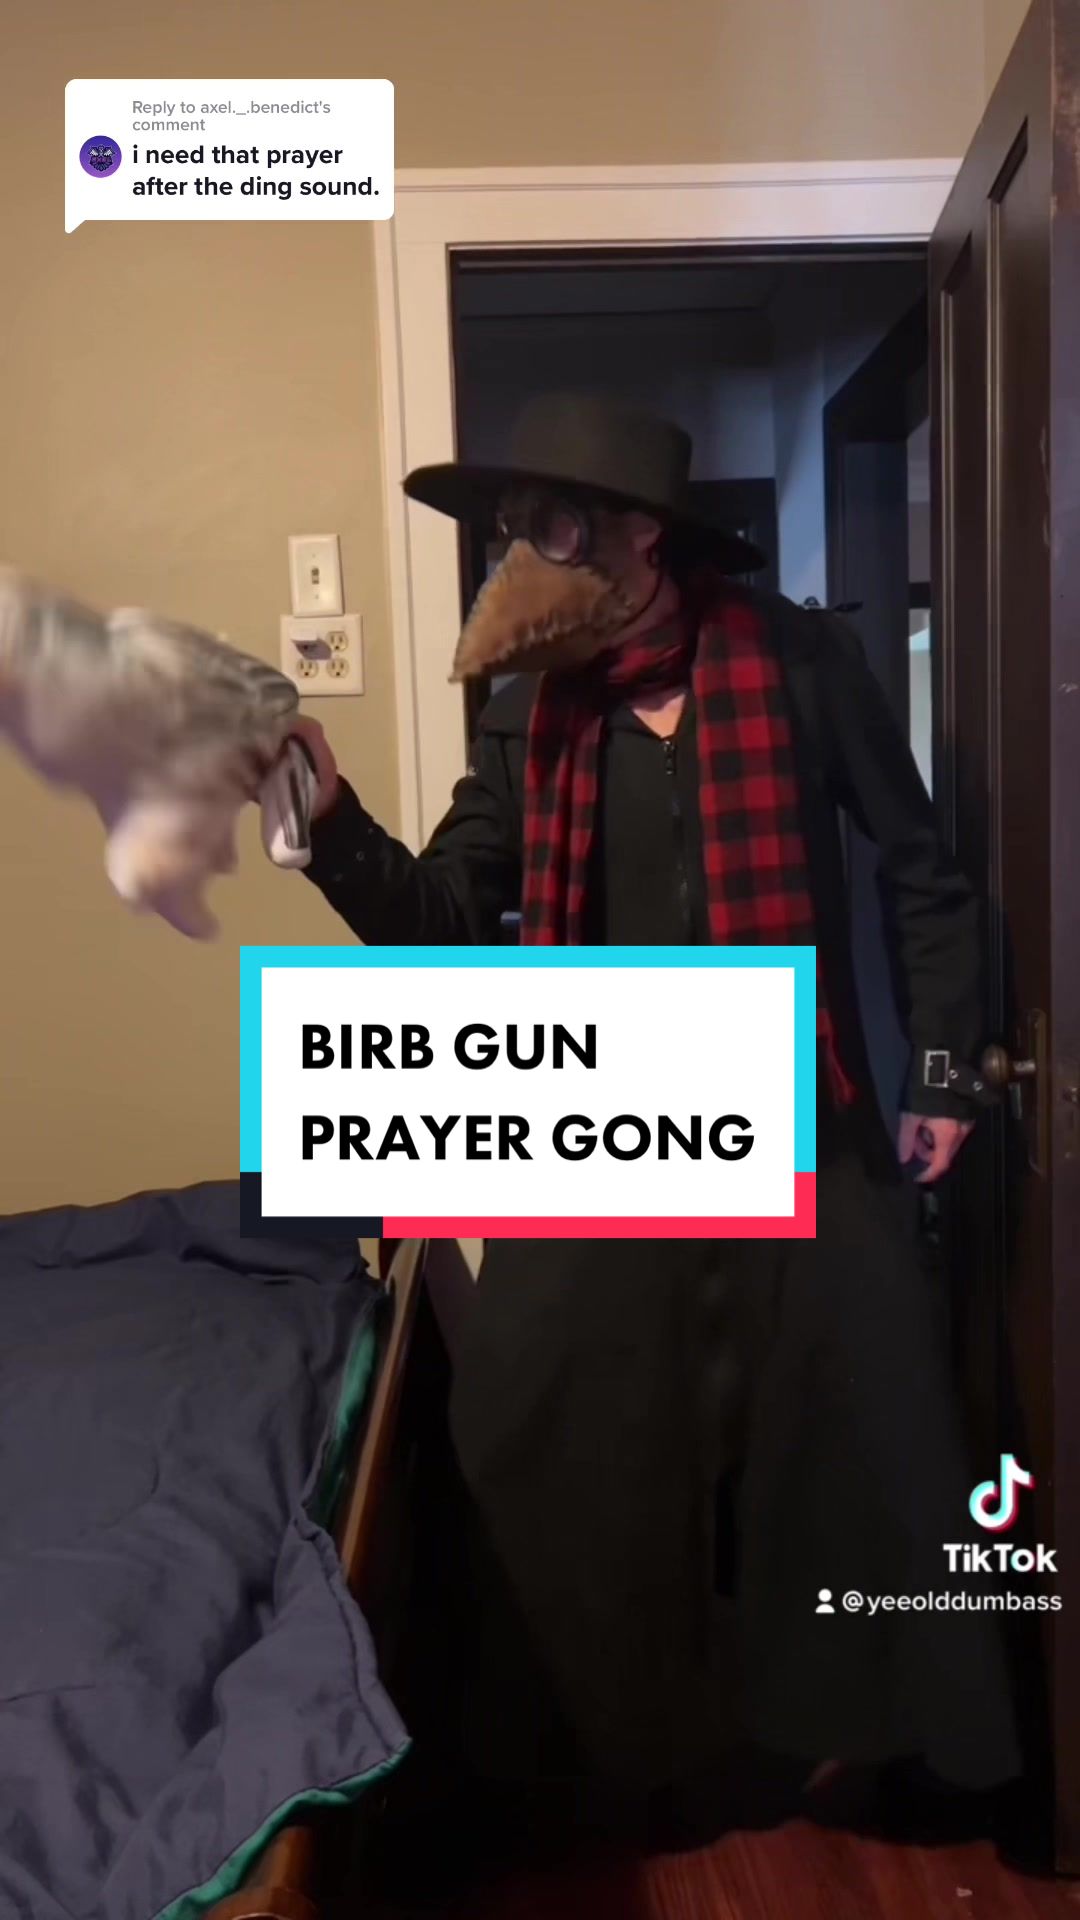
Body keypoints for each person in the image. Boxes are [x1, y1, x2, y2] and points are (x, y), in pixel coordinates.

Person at [292, 394, 1021, 1863]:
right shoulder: (530, 712)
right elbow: (446, 920)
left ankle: (921, 1744)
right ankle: (612, 1754)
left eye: (550, 524)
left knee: (883, 1420)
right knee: (534, 1421)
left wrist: (943, 1075)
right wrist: (332, 826)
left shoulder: (802, 665)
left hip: (802, 1114)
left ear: (639, 537)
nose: (520, 553)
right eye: (511, 526)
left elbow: (923, 874)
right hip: (612, 1117)